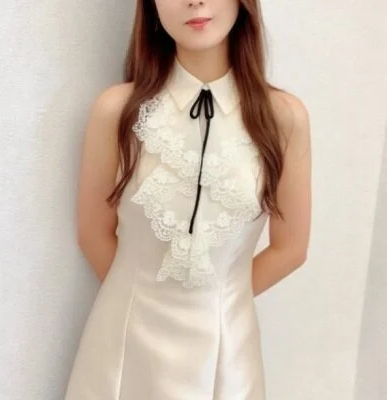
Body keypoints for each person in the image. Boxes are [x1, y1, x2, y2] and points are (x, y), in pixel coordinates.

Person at [64, 0, 312, 399]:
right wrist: (142, 295)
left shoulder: (283, 118)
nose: (195, 1)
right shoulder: (117, 111)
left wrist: (220, 298)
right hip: (124, 343)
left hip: (228, 351)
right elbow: (93, 234)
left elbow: (291, 249)